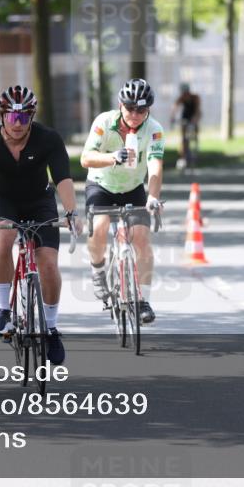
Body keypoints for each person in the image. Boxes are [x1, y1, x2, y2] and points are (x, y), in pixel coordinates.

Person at [0, 85, 79, 365]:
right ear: (2, 116)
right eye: (11, 118)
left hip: (39, 200)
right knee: (3, 241)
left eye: (23, 118)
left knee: (48, 264)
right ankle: (1, 310)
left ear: (32, 117)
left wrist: (71, 212)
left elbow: (63, 179)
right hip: (3, 201)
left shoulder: (49, 139)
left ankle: (51, 327)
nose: (17, 124)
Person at [81, 78, 165, 324]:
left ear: (148, 109)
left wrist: (153, 197)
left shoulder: (155, 129)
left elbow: (155, 165)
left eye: (142, 110)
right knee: (100, 226)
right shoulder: (104, 123)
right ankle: (98, 271)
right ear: (120, 105)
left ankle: (142, 301)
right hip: (101, 185)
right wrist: (112, 157)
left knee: (141, 238)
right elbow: (86, 158)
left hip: (132, 188)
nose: (135, 114)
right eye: (130, 108)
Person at [170, 83, 202, 169]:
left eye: (186, 93)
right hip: (185, 117)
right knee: (183, 139)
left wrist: (195, 120)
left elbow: (197, 110)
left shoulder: (195, 97)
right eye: (183, 94)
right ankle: (183, 157)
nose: (185, 95)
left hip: (194, 116)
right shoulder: (181, 98)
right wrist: (172, 118)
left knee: (194, 133)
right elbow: (175, 107)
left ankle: (195, 151)